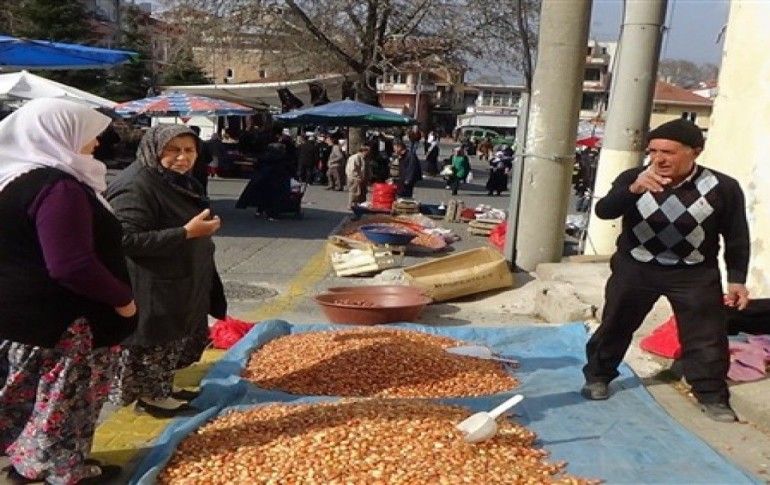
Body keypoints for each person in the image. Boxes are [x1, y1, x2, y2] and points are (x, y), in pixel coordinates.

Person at [0, 98, 136, 483]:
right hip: (65, 319)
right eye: (89, 134)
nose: (97, 143)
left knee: (37, 399)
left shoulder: (13, 178)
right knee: (66, 398)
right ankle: (63, 472)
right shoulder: (58, 188)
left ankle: (31, 465)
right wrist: (123, 300)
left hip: (25, 315)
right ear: (58, 133)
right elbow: (72, 265)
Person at [581, 119, 750, 423]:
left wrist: (737, 279)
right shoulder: (633, 178)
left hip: (693, 273)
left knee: (706, 335)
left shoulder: (722, 187)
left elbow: (736, 235)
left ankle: (711, 395)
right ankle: (598, 376)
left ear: (695, 152)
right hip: (637, 267)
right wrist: (632, 190)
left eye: (668, 152)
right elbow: (605, 211)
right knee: (616, 323)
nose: (659, 159)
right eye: (653, 151)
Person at [106, 124, 227, 418]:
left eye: (189, 150)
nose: (182, 158)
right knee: (154, 343)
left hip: (179, 277)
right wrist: (185, 233)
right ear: (154, 150)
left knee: (172, 341)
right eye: (172, 150)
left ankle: (162, 389)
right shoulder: (136, 185)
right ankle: (151, 397)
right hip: (152, 282)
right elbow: (124, 239)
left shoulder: (173, 179)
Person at [189, 125, 212, 195]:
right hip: (201, 169)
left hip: (189, 169)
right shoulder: (204, 144)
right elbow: (209, 158)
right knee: (202, 186)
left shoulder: (185, 144)